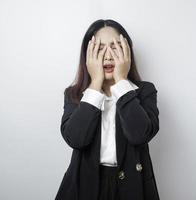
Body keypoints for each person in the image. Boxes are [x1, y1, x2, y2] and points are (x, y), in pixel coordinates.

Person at [55, 19, 160, 200]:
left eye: (116, 46)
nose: (108, 56)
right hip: (84, 186)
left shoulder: (145, 91)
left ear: (127, 51)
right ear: (87, 55)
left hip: (133, 185)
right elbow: (76, 139)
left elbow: (140, 135)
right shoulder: (74, 94)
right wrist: (95, 83)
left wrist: (121, 81)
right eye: (100, 48)